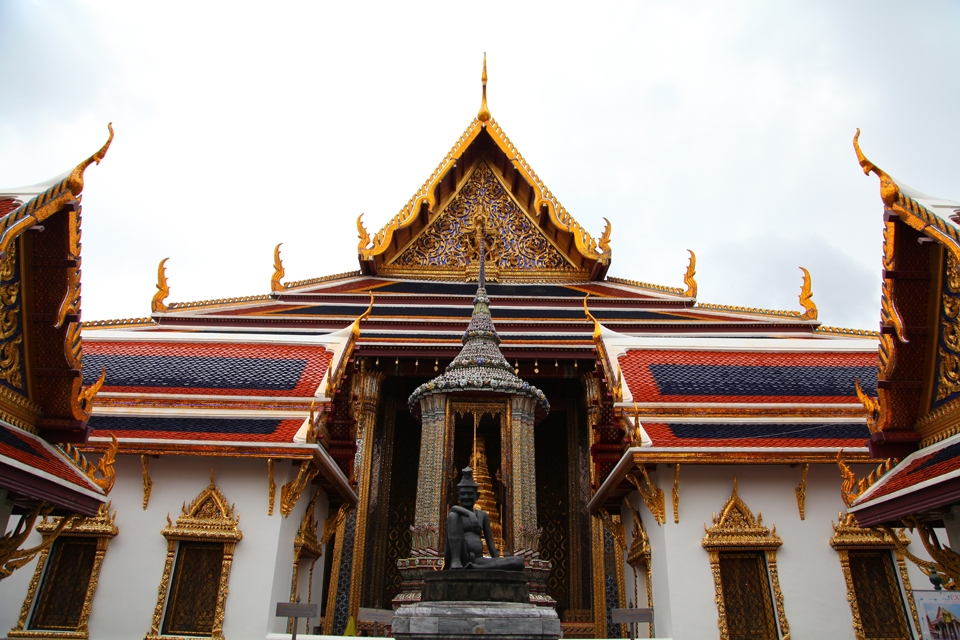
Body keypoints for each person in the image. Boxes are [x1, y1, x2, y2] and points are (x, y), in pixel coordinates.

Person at [444, 467, 525, 571]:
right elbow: (453, 510)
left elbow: (490, 543)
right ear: (458, 496)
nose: (466, 497)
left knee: (518, 561)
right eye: (463, 494)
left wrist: (497, 561)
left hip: (478, 559)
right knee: (453, 516)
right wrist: (470, 514)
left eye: (470, 494)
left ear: (477, 496)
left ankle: (478, 568)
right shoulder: (456, 514)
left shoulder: (482, 516)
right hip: (461, 557)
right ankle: (456, 561)